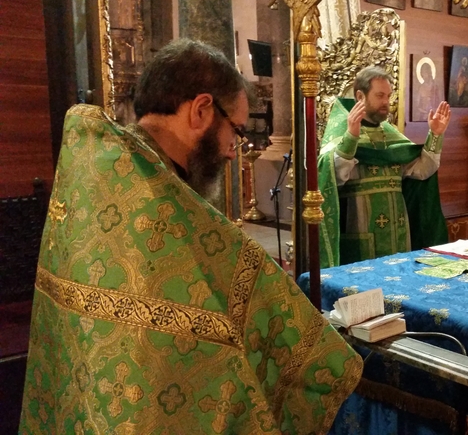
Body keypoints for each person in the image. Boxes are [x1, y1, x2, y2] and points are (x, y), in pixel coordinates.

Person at [20, 39, 361, 434]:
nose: (233, 151)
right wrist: (329, 357)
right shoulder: (160, 204)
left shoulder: (103, 169)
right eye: (236, 131)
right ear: (201, 110)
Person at [318, 66, 451, 267]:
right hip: (360, 235)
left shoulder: (392, 136)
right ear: (360, 96)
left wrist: (436, 134)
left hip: (399, 233)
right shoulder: (341, 134)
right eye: (380, 96)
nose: (386, 102)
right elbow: (332, 177)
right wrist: (351, 137)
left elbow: (422, 171)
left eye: (388, 96)